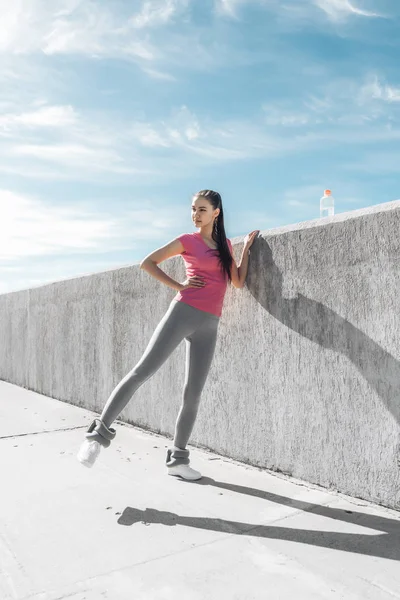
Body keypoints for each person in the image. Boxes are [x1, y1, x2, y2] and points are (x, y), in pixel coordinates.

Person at [77, 189, 259, 480]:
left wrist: (247, 249)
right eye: (193, 209)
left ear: (216, 213)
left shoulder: (224, 245)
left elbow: (236, 281)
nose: (195, 214)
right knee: (142, 372)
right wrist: (180, 285)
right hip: (182, 314)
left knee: (193, 394)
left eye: (201, 209)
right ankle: (96, 438)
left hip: (209, 325)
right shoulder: (188, 241)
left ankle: (178, 459)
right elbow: (147, 263)